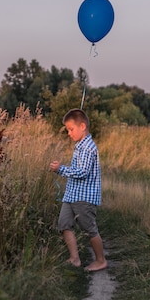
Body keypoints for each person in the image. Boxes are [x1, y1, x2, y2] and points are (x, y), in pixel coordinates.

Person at [49, 109, 107, 272]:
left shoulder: (88, 147)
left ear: (82, 126)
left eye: (71, 129)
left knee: (89, 228)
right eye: (67, 129)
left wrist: (61, 169)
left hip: (84, 197)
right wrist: (61, 168)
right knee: (64, 224)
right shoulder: (79, 146)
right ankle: (74, 258)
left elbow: (83, 172)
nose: (69, 133)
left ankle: (101, 260)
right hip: (71, 195)